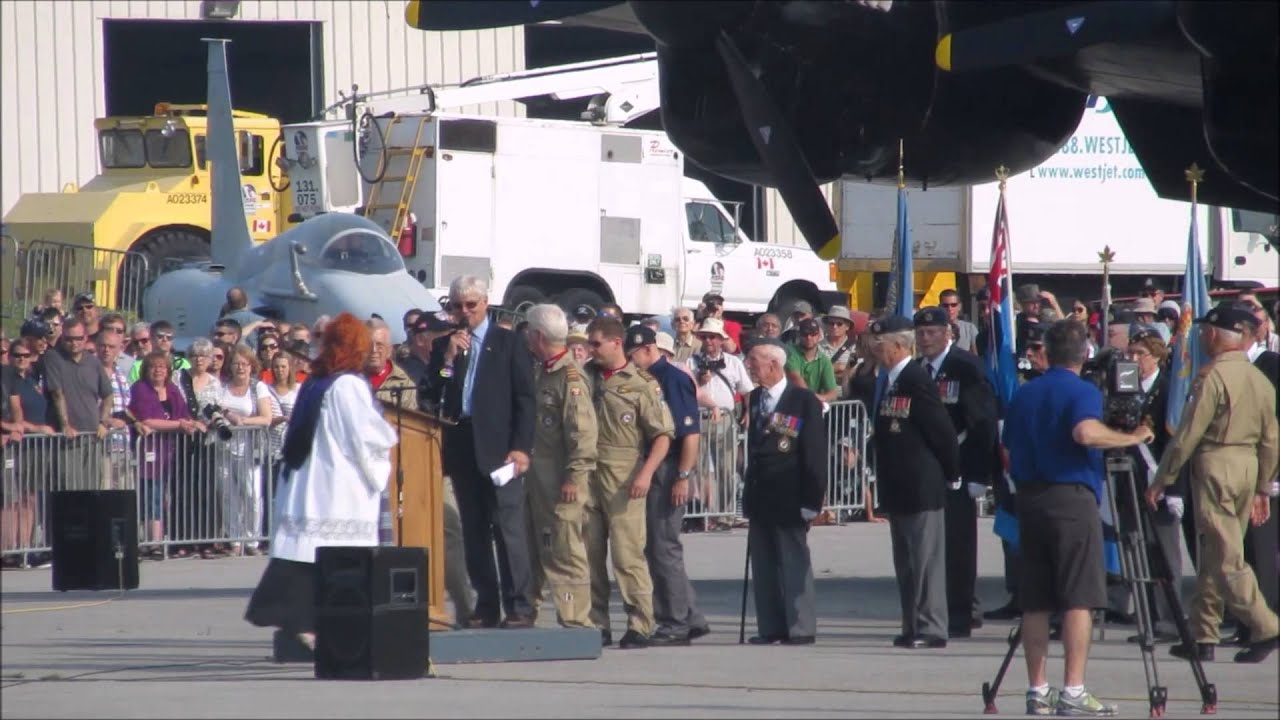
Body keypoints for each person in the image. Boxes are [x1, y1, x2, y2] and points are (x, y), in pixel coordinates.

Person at [1003, 318, 1154, 716]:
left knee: (1036, 600)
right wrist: (1130, 437)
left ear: (1048, 353)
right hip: (1070, 497)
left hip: (1030, 497)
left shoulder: (1026, 392)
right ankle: (1073, 689)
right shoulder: (1082, 390)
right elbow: (1085, 433)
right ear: (1084, 353)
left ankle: (1038, 688)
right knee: (1077, 597)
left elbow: (1008, 447)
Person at [245, 313, 397, 651]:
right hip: (335, 487)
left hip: (308, 481)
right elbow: (364, 436)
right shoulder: (348, 386)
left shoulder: (316, 382)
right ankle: (320, 625)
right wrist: (387, 439)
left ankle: (309, 624)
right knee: (335, 559)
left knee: (307, 555)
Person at [1146, 303, 1279, 664]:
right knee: (1214, 551)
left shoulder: (1213, 377)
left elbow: (1188, 434)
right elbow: (1271, 438)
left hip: (1217, 464)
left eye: (1206, 332)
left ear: (1218, 336)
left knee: (1226, 555)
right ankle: (1203, 632)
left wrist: (1163, 478)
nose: (1202, 337)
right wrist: (1263, 485)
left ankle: (1266, 625)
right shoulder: (1259, 379)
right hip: (1248, 465)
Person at [423, 275, 537, 629]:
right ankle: (486, 604)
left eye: (471, 305)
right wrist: (448, 359)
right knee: (473, 530)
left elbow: (526, 399)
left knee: (507, 528)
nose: (464, 312)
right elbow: (430, 393)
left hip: (500, 448)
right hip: (463, 445)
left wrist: (521, 447)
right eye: (457, 306)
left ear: (485, 304)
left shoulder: (507, 343)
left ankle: (520, 605)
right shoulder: (445, 345)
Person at [867, 316, 959, 650]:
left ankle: (932, 626)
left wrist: (952, 473)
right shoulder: (891, 380)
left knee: (925, 562)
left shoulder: (916, 379)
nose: (874, 350)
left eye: (879, 344)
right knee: (906, 563)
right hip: (898, 485)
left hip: (921, 484)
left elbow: (941, 431)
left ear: (898, 345)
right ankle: (911, 624)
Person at [583, 316, 674, 648]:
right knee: (589, 554)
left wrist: (646, 473)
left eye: (596, 344)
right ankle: (596, 622)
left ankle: (640, 622)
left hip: (624, 476)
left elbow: (662, 435)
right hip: (587, 473)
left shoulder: (641, 384)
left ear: (616, 343)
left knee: (626, 554)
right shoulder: (585, 377)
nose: (590, 349)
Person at [913, 307, 999, 639]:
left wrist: (979, 474)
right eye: (920, 333)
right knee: (932, 544)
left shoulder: (965, 367)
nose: (925, 339)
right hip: (928, 467)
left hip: (960, 466)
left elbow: (981, 422)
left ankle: (961, 614)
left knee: (958, 545)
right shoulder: (919, 369)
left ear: (948, 333)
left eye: (932, 332)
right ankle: (943, 608)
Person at [626, 325, 711, 645]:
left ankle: (674, 623)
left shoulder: (671, 379)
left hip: (669, 467)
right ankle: (690, 616)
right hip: (657, 466)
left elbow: (689, 433)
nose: (630, 362)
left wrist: (682, 476)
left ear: (649, 349)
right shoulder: (646, 379)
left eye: (633, 355)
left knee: (663, 547)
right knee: (657, 546)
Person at [741, 341, 826, 645]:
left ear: (774, 364)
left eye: (754, 360)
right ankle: (771, 627)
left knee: (793, 563)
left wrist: (812, 500)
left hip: (791, 495)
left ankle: (800, 627)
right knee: (764, 566)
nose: (748, 366)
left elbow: (814, 453)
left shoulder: (802, 400)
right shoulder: (755, 398)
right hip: (761, 495)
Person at [522, 304, 597, 629]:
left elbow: (582, 434)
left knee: (564, 550)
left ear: (538, 336)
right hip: (536, 480)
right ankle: (526, 610)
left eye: (529, 331)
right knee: (534, 547)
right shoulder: (540, 371)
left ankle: (576, 619)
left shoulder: (570, 377)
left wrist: (573, 477)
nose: (526, 336)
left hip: (560, 482)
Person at [1122, 328, 1184, 644]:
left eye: (1139, 354)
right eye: (1130, 353)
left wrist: (1173, 488)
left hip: (1158, 480)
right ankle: (1147, 618)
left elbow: (1177, 441)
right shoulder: (1125, 387)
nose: (1133, 359)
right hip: (1129, 478)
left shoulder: (1168, 389)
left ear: (1157, 356)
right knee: (1138, 550)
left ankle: (1169, 620)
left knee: (1164, 551)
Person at [129, 351, 202, 556]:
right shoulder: (140, 389)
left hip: (170, 450)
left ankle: (160, 539)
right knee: (152, 494)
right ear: (146, 370)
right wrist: (179, 425)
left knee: (165, 495)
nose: (158, 370)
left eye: (162, 366)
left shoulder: (172, 389)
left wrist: (192, 424)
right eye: (153, 366)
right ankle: (153, 542)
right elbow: (147, 420)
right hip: (148, 450)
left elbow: (184, 415)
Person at [785, 318, 840, 403]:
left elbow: (833, 393)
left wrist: (820, 398)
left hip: (811, 404)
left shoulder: (824, 361)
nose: (809, 337)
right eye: (805, 334)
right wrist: (813, 399)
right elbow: (795, 378)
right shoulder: (790, 352)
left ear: (819, 336)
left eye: (813, 334)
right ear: (799, 335)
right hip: (790, 403)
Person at [938, 290, 979, 354]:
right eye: (945, 306)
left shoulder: (969, 328)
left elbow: (976, 355)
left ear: (959, 307)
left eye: (953, 305)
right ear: (940, 307)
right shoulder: (934, 330)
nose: (949, 309)